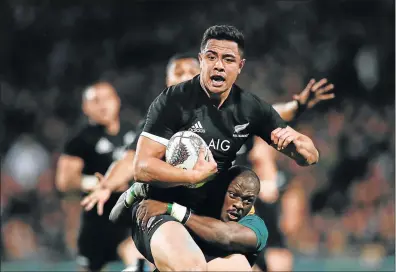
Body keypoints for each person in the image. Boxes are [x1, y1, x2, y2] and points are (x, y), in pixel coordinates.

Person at [124, 25, 319, 272]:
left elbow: (307, 156)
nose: (218, 65)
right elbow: (141, 167)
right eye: (211, 57)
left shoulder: (249, 108)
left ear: (240, 66)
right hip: (160, 211)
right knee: (191, 268)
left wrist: (303, 147)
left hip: (212, 218)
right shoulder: (172, 102)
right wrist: (191, 176)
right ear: (201, 60)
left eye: (228, 59)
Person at [110, 165, 267, 271]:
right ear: (220, 190)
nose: (239, 204)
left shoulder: (254, 225)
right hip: (181, 264)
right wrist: (133, 193)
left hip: (201, 265)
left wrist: (172, 209)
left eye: (248, 200)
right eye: (233, 195)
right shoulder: (197, 201)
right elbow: (116, 218)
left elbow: (228, 236)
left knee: (239, 266)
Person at [55, 82, 141, 272]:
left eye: (108, 99)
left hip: (131, 215)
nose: (103, 105)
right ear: (85, 107)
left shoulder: (133, 132)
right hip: (98, 221)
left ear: (117, 101)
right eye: (95, 100)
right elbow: (64, 181)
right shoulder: (80, 140)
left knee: (137, 257)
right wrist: (99, 183)